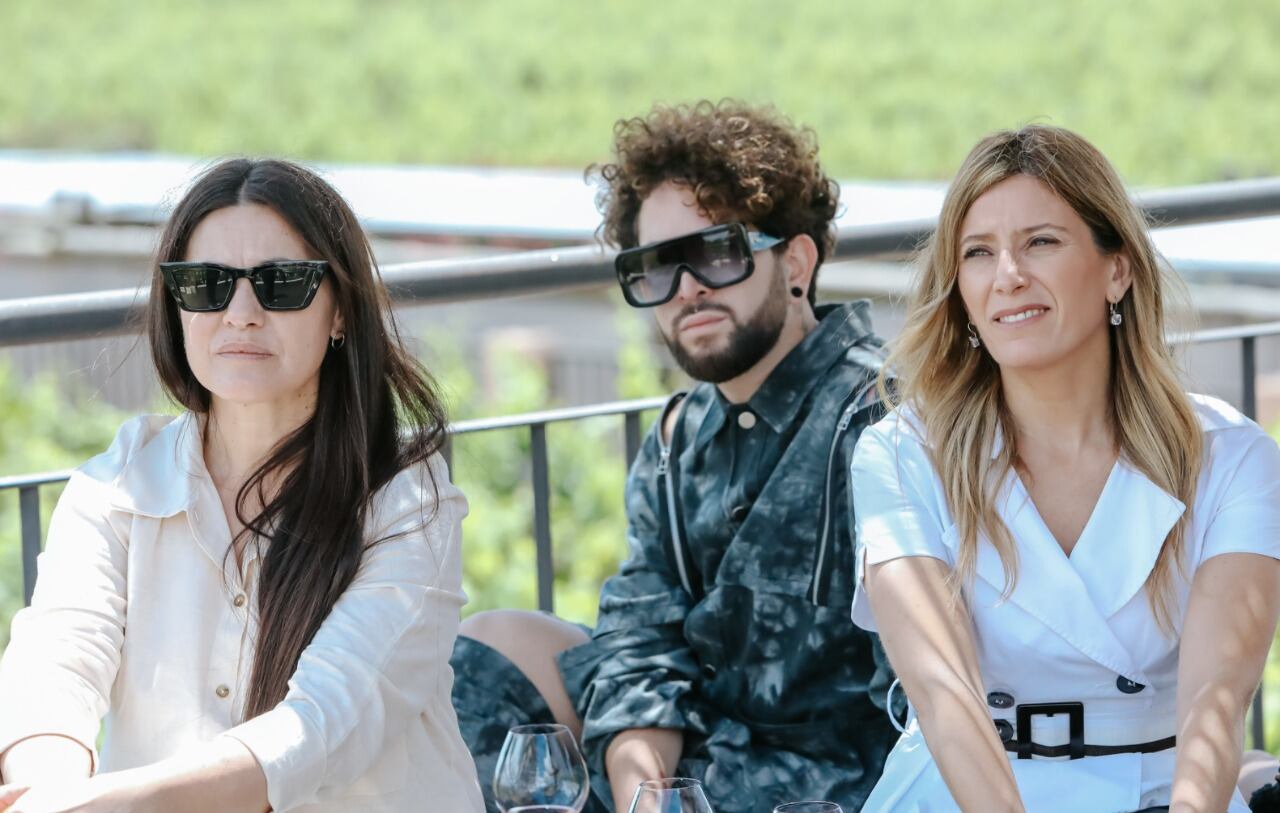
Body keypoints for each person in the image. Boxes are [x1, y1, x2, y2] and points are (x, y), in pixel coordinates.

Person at [451, 100, 899, 813]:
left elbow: (922, 693)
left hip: (834, 786)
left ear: (797, 260)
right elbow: (640, 634)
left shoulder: (881, 418)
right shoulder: (679, 435)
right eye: (655, 266)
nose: (686, 289)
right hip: (695, 765)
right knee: (484, 652)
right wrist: (647, 793)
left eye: (717, 252)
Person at [0, 158, 484, 812]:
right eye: (206, 284)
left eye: (282, 284)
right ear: (176, 304)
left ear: (340, 311)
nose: (242, 312)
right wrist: (48, 786)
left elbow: (320, 725)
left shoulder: (407, 500)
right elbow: (57, 661)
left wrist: (101, 804)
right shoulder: (119, 480)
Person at [849, 125, 1280, 812]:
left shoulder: (1233, 457)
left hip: (1165, 794)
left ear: (1118, 269)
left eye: (1040, 242)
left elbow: (1216, 704)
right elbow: (944, 691)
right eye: (978, 253)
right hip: (966, 794)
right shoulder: (902, 456)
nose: (1008, 274)